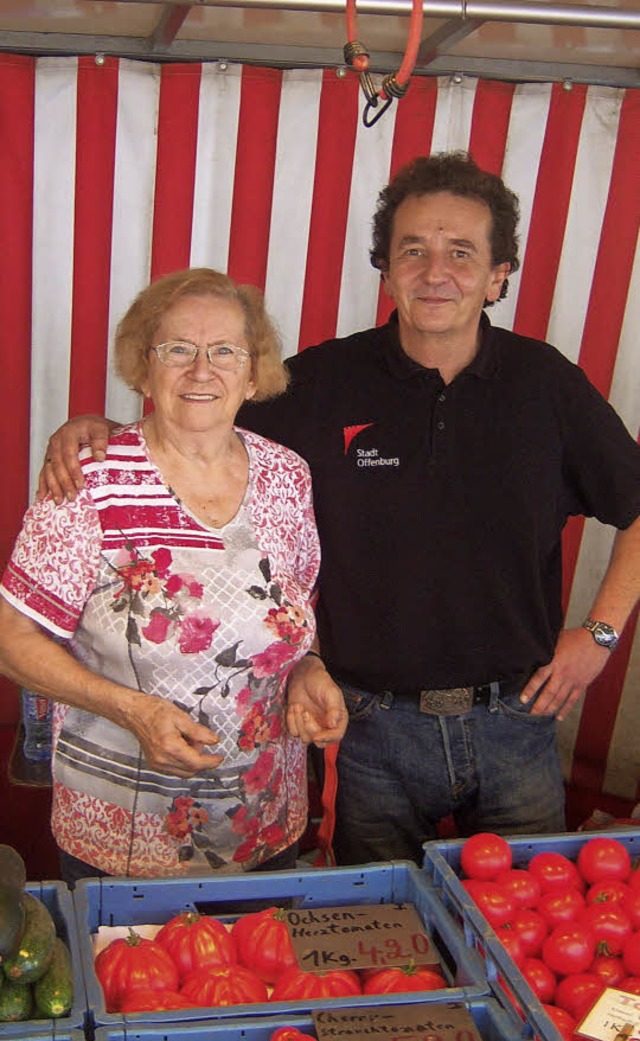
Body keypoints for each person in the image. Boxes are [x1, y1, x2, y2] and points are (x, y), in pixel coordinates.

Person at [38, 154, 640, 868]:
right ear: (386, 267)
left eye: (461, 253)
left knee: (525, 936)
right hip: (365, 730)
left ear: (498, 273)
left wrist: (599, 636)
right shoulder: (319, 382)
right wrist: (96, 430)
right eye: (412, 250)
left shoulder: (547, 386)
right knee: (380, 943)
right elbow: (197, 414)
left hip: (518, 721)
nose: (435, 271)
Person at [0, 268, 347, 883]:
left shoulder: (286, 476)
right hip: (123, 831)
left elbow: (296, 608)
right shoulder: (91, 480)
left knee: (254, 978)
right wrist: (129, 709)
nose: (201, 369)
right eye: (178, 349)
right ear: (144, 363)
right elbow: (12, 638)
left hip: (265, 819)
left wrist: (308, 667)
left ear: (253, 369)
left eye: (224, 351)